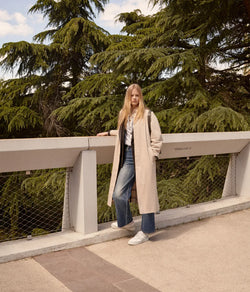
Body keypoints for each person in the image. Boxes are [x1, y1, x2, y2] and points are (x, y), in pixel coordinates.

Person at [97, 84, 162, 245]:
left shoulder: (148, 115)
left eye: (137, 95)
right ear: (128, 97)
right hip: (127, 157)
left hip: (143, 158)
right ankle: (126, 223)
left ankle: (146, 231)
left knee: (146, 196)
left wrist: (151, 155)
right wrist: (108, 132)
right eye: (132, 95)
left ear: (140, 97)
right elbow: (123, 132)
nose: (134, 98)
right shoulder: (124, 114)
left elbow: (157, 138)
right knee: (118, 193)